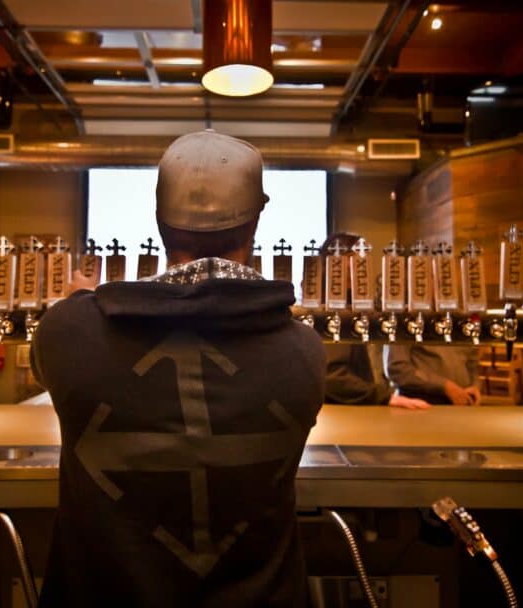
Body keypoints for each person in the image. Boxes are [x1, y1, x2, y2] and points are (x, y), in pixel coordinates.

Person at [32, 130, 326, 607]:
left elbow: (52, 364)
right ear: (255, 226)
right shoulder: (304, 352)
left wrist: (74, 302)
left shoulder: (68, 332)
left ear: (158, 222)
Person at [318, 232, 430, 409]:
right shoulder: (331, 310)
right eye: (357, 257)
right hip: (344, 415)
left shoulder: (353, 307)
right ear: (336, 263)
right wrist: (383, 397)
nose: (363, 264)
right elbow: (333, 377)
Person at [387, 342, 481, 405]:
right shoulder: (407, 322)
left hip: (462, 408)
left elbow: (472, 363)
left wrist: (475, 386)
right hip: (422, 407)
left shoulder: (462, 322)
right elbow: (398, 369)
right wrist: (444, 386)